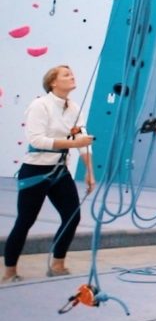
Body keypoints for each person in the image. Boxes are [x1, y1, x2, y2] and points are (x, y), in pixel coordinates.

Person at [3, 65, 95, 282]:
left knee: (72, 216)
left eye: (72, 73)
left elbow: (83, 141)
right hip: (35, 170)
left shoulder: (74, 108)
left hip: (59, 170)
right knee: (25, 220)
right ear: (53, 82)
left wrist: (90, 172)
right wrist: (73, 143)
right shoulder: (40, 105)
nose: (72, 76)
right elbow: (37, 140)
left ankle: (58, 263)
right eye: (66, 74)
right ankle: (9, 270)